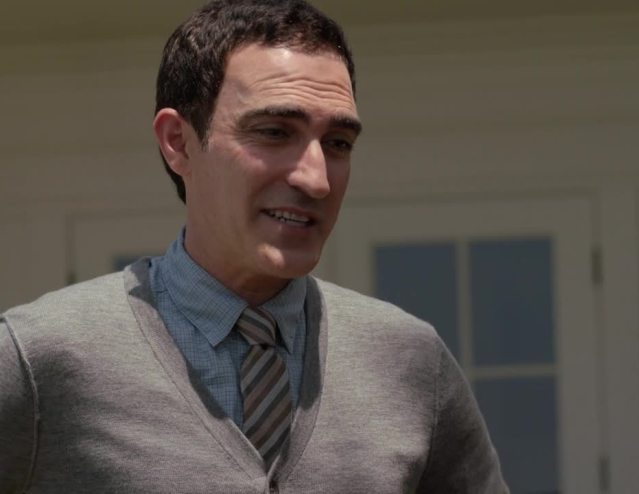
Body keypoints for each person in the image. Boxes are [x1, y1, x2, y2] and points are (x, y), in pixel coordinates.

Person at [0, 0, 507, 492]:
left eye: (338, 143)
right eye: (274, 132)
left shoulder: (411, 363)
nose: (316, 180)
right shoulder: (38, 360)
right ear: (178, 141)